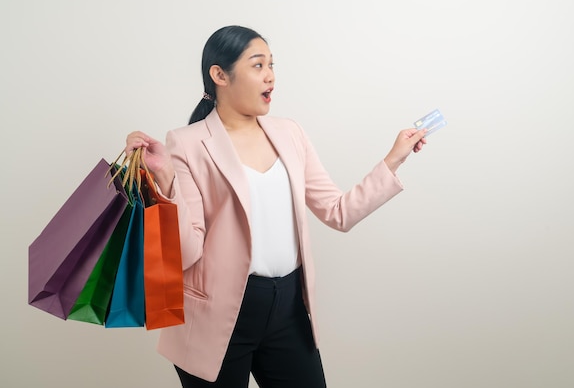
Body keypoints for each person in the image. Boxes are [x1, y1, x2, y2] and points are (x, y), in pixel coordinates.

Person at [125, 25, 428, 388]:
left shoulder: (290, 132)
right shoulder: (187, 143)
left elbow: (338, 211)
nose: (270, 76)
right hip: (217, 316)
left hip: (288, 309)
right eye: (257, 65)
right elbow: (185, 252)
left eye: (272, 64)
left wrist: (392, 160)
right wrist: (166, 180)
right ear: (219, 75)